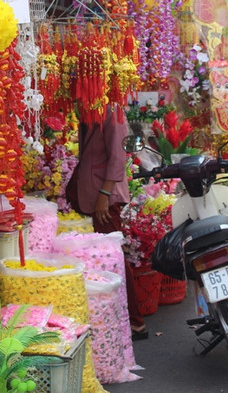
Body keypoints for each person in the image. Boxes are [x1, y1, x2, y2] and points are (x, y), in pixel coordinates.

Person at [67, 107, 147, 338]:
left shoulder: (112, 111)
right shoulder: (91, 110)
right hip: (92, 195)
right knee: (103, 258)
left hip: (105, 198)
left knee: (114, 257)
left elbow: (118, 157)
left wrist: (104, 194)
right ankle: (114, 317)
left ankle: (136, 322)